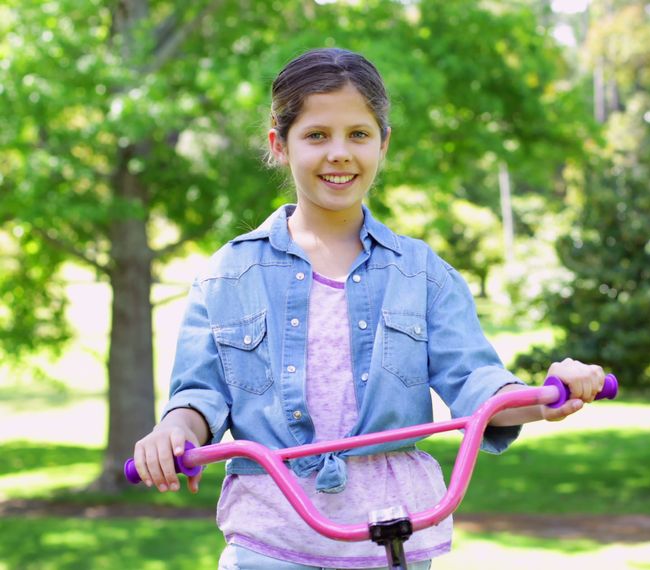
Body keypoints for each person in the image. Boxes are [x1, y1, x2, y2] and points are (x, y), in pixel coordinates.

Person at [130, 47, 607, 570]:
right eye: (316, 135)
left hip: (394, 535)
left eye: (358, 134)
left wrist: (546, 396)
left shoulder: (423, 275)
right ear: (280, 145)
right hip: (271, 540)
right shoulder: (227, 274)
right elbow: (199, 394)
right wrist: (174, 431)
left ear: (383, 143)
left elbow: (477, 384)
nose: (339, 153)